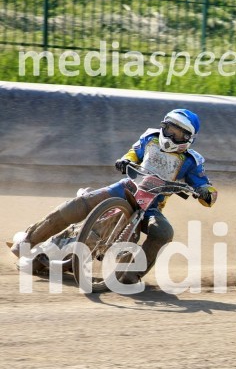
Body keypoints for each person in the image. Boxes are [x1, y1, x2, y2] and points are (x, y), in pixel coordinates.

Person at [10, 109, 217, 284]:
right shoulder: (150, 138)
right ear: (163, 126)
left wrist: (206, 193)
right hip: (124, 188)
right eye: (170, 129)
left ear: (188, 138)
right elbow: (133, 153)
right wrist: (125, 160)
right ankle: (28, 240)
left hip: (151, 207)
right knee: (76, 206)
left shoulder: (192, 161)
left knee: (164, 232)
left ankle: (131, 274)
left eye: (178, 134)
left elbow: (205, 185)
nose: (171, 136)